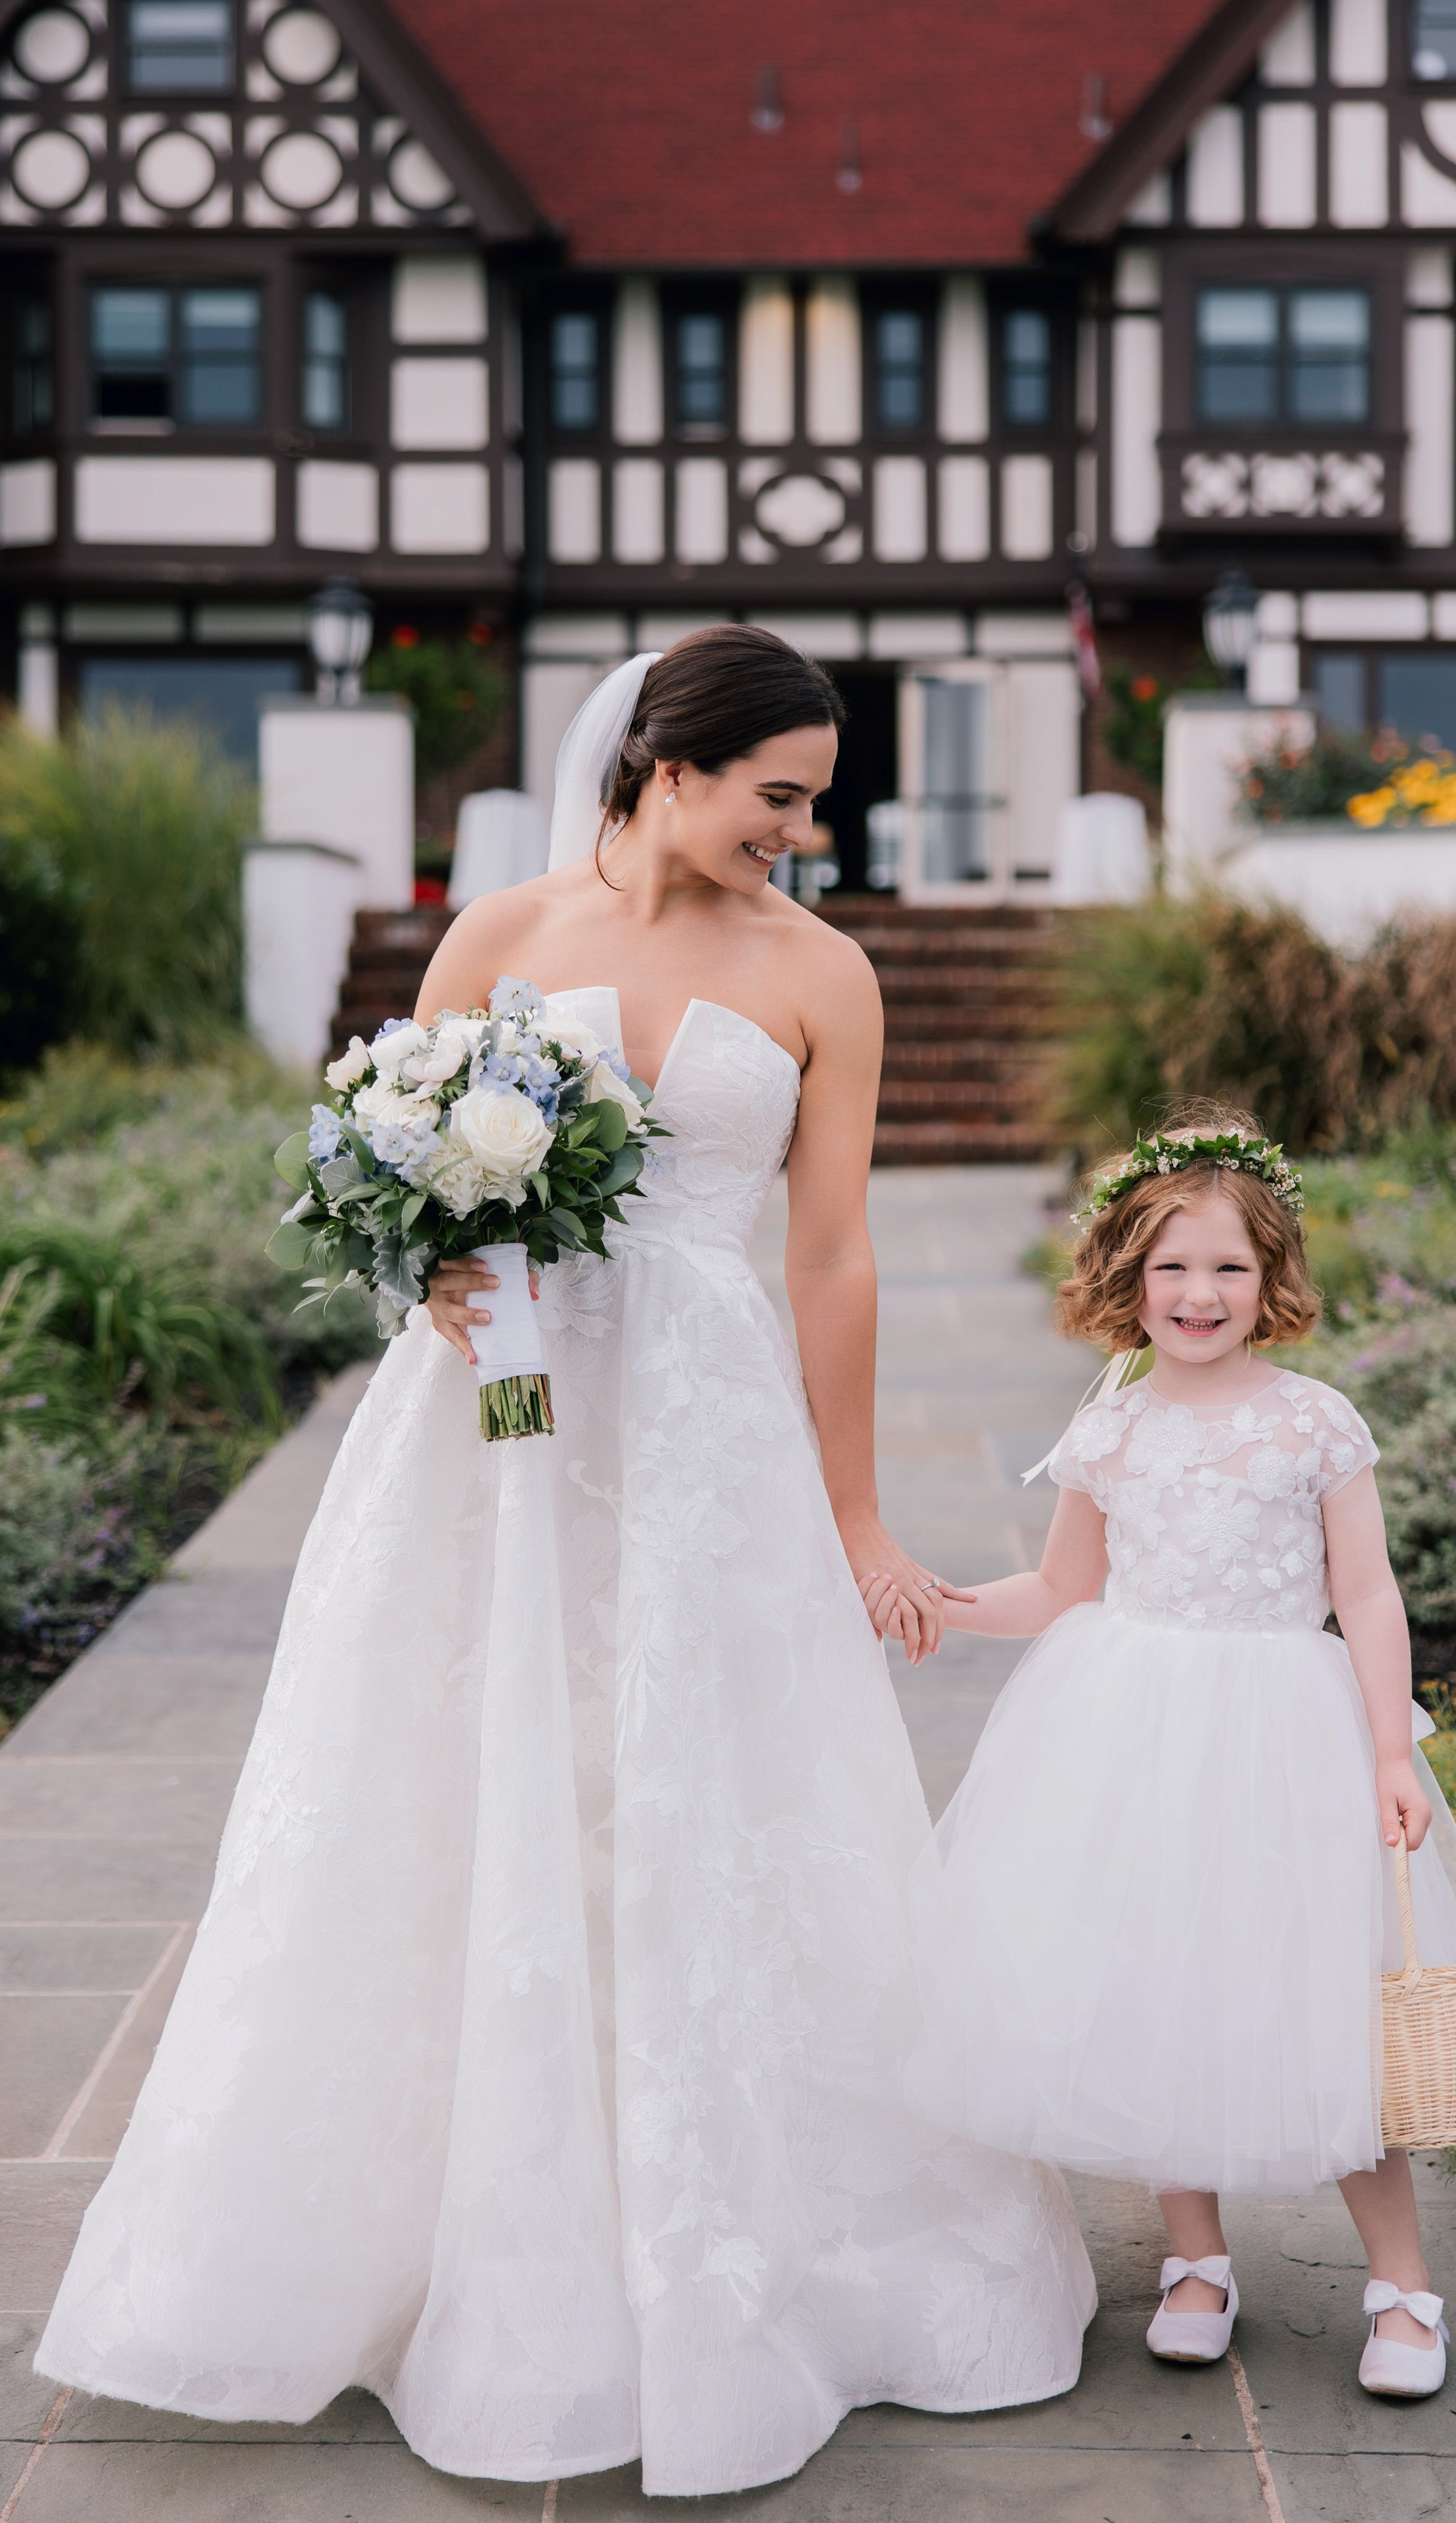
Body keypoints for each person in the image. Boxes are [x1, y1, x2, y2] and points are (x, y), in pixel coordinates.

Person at [35, 628, 1095, 2495]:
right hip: (497, 1436)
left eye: (814, 799)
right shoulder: (501, 935)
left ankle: (736, 2245)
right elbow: (391, 1168)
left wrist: (856, 1513)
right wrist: (425, 1270)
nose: (803, 831)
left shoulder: (826, 971)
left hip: (708, 1440)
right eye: (779, 794)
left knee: (711, 1791)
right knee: (470, 1778)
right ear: (665, 767)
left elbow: (832, 1257)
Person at [866, 1105, 1456, 2402]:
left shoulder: (1313, 1421)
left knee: (1328, 1997)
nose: (1197, 1293)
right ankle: (1195, 2260)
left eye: (1225, 1267)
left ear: (1269, 1281)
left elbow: (1364, 1593)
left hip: (1284, 1730)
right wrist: (942, 1599)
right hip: (1132, 1729)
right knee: (1158, 1985)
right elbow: (1060, 1588)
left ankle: (1400, 2284)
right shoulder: (1108, 1431)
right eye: (1170, 1266)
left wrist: (1388, 1750)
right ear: (1123, 1277)